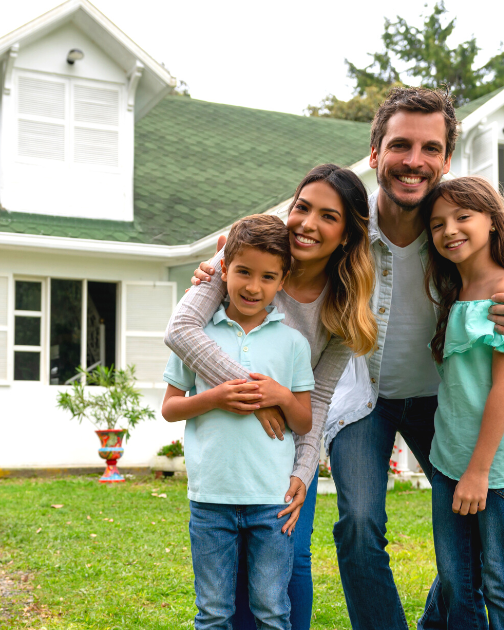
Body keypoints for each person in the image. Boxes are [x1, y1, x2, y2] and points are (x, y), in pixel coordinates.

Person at [191, 87, 504, 630]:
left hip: (443, 404)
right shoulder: (342, 227)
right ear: (374, 150)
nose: (414, 161)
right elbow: (262, 243)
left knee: (470, 528)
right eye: (400, 145)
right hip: (359, 404)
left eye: (430, 148)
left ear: (446, 159)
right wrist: (217, 268)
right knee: (359, 522)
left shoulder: (455, 233)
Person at [167, 165, 378, 630]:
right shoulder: (243, 259)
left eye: (328, 216)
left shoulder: (342, 305)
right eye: (302, 207)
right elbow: (181, 331)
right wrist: (257, 395)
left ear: (347, 234)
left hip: (284, 454)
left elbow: (318, 399)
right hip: (228, 455)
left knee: (293, 558)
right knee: (228, 582)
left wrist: (304, 471)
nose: (307, 223)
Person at [162, 213, 318, 630]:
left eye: (268, 277)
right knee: (213, 612)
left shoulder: (293, 343)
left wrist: (283, 396)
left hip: (272, 501)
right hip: (211, 498)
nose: (253, 286)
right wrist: (214, 397)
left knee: (272, 610)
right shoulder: (198, 336)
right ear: (222, 270)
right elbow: (171, 407)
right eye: (243, 272)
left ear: (282, 281)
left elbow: (303, 422)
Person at [419, 176, 504, 628]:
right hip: (449, 459)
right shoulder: (453, 291)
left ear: (492, 221)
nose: (449, 230)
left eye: (463, 217)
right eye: (437, 224)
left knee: (500, 584)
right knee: (455, 581)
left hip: (497, 469)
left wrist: (478, 472)